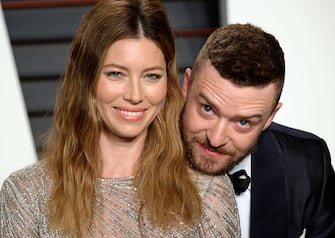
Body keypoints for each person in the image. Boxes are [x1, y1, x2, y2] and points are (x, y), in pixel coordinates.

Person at [0, 0, 241, 237]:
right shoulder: (26, 194)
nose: (135, 95)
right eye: (116, 74)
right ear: (86, 79)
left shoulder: (207, 194)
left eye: (151, 76)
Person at [180, 23, 335, 238]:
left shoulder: (306, 163)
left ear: (270, 117)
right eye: (207, 109)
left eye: (243, 123)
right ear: (186, 86)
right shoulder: (135, 153)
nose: (215, 139)